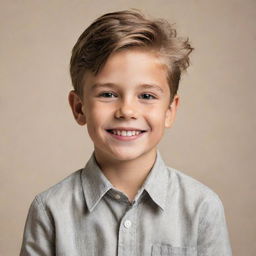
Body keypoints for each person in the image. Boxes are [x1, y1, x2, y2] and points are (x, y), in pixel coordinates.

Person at [20, 9, 232, 256]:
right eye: (108, 94)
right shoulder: (50, 210)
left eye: (146, 96)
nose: (127, 111)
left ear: (169, 111)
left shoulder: (202, 208)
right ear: (79, 108)